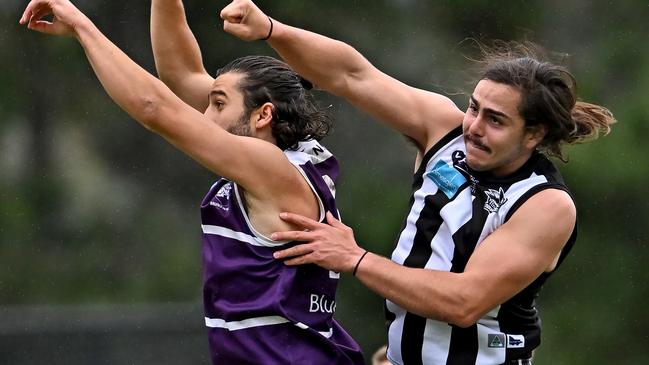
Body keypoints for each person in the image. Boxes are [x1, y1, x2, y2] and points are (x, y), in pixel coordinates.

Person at [219, 1, 616, 364]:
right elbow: (350, 74)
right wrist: (271, 29)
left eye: (495, 120)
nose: (474, 128)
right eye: (474, 108)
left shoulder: (544, 203)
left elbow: (464, 301)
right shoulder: (445, 131)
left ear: (533, 135)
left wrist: (356, 259)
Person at [19, 1, 365, 364]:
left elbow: (155, 108)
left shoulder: (270, 167)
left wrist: (80, 27)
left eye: (217, 104)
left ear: (264, 115)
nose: (204, 115)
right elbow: (180, 73)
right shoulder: (289, 155)